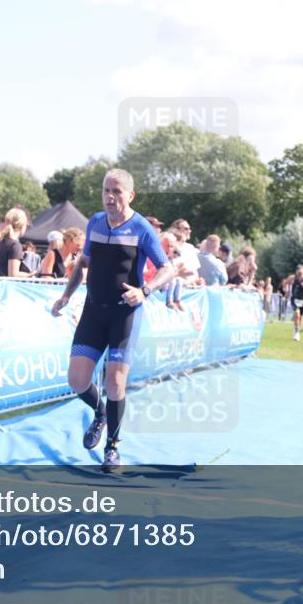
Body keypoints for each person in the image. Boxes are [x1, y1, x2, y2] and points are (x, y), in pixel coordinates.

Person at [51, 169, 175, 472]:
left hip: (124, 313)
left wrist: (145, 291)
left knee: (115, 382)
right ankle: (101, 413)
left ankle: (112, 447)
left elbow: (167, 268)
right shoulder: (94, 222)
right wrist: (67, 295)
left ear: (130, 195)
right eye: (106, 190)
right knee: (77, 380)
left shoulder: (142, 228)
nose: (110, 197)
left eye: (117, 191)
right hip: (94, 310)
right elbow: (84, 263)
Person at [0, 208, 32, 277]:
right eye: (26, 225)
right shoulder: (15, 245)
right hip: (9, 286)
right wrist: (29, 275)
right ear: (22, 226)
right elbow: (13, 275)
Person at [281, 265, 303, 341]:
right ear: (296, 272)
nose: (300, 275)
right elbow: (285, 283)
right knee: (297, 313)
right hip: (294, 299)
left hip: (302, 300)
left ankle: (297, 329)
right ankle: (296, 332)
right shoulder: (293, 278)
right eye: (298, 273)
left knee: (299, 317)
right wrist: (286, 291)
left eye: (301, 273)